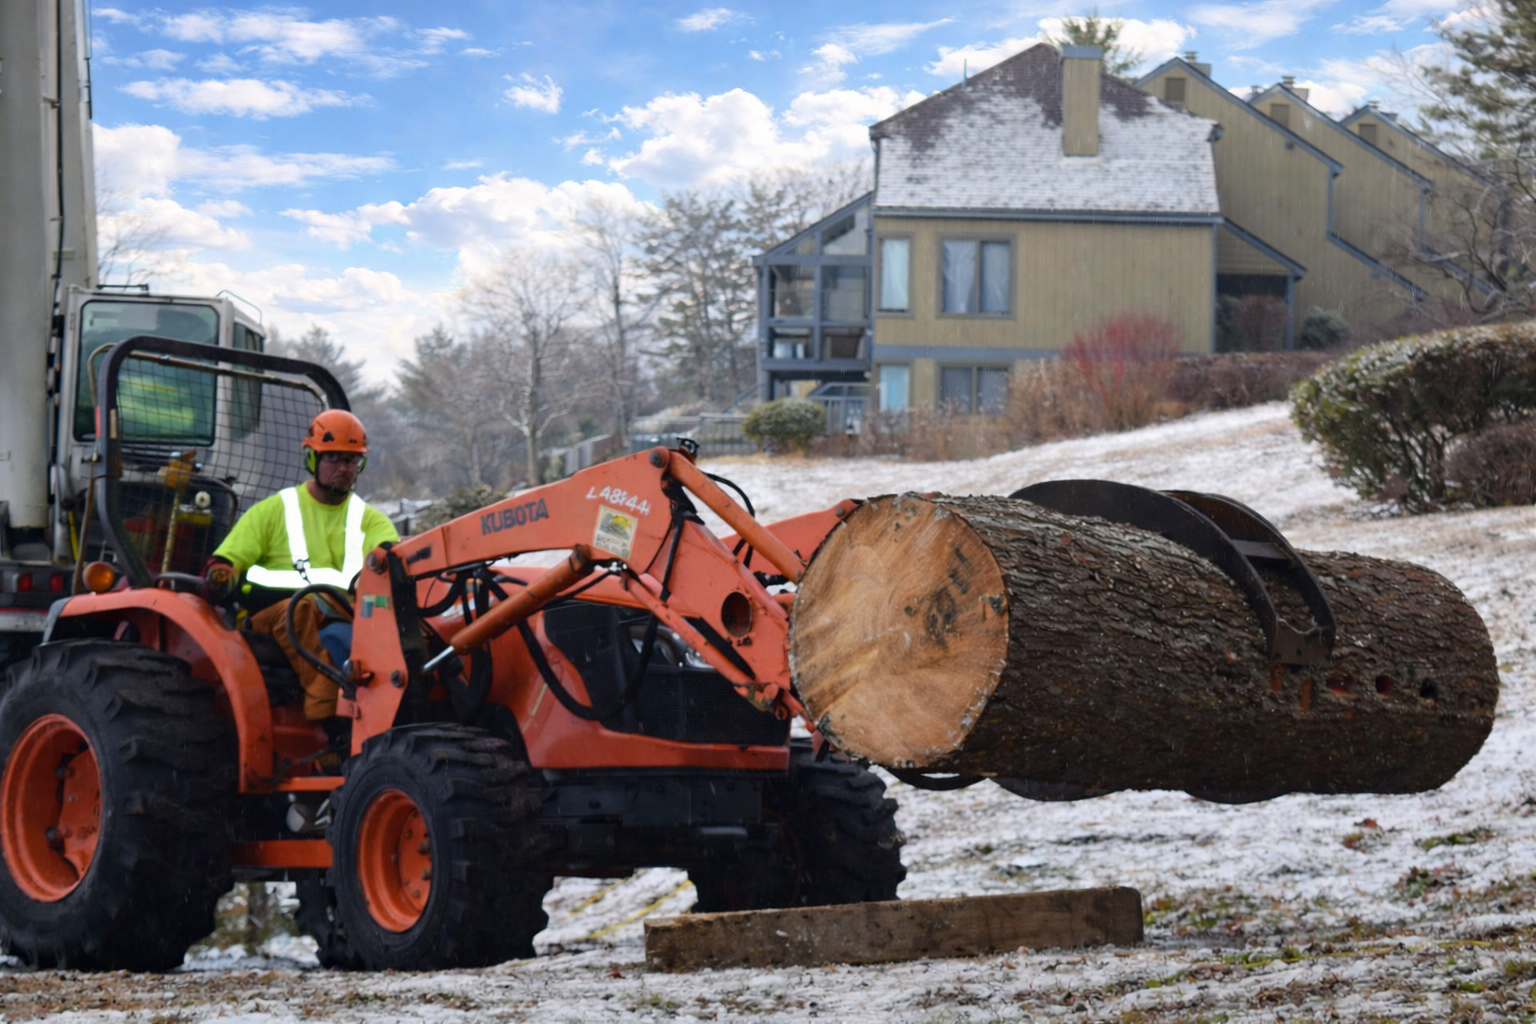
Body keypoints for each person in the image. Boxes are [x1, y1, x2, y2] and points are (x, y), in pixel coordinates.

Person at [203, 409, 399, 726]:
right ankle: (327, 709)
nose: (344, 468)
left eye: (352, 460)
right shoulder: (273, 511)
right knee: (302, 608)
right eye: (333, 458)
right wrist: (221, 575)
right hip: (273, 617)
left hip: (340, 619)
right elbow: (229, 560)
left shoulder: (371, 521)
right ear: (311, 459)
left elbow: (387, 556)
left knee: (346, 636)